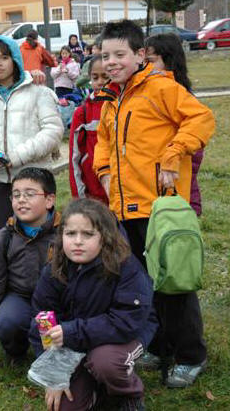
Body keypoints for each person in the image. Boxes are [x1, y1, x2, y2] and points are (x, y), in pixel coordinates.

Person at [93, 19, 215, 388]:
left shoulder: (161, 88)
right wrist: (103, 173)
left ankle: (192, 355)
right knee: (142, 286)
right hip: (124, 209)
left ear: (140, 54)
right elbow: (103, 144)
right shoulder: (112, 99)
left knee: (173, 285)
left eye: (119, 54)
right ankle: (160, 345)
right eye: (105, 55)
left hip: (158, 208)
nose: (111, 62)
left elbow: (201, 118)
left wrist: (173, 153)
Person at [29, 198, 156, 411]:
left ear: (105, 238)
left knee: (105, 362)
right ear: (61, 236)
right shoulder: (54, 269)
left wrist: (71, 331)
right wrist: (54, 375)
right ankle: (98, 393)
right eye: (70, 234)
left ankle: (128, 395)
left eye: (88, 234)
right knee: (64, 407)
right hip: (77, 340)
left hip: (124, 336)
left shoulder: (126, 267)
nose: (78, 241)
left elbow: (125, 323)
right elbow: (41, 322)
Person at [0, 35, 63, 233]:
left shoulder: (37, 91)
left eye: (4, 58)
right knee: (5, 239)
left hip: (34, 180)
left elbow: (53, 131)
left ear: (15, 60)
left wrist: (17, 156)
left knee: (40, 238)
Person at [0, 167, 59, 372]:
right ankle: (17, 351)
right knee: (6, 322)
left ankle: (57, 355)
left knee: (54, 341)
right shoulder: (6, 236)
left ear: (49, 200)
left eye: (30, 194)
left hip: (55, 301)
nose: (21, 200)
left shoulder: (66, 234)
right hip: (19, 297)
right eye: (16, 194)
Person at [144, 33, 204, 217]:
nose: (146, 67)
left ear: (170, 61)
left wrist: (172, 157)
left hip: (175, 188)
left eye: (151, 61)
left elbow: (194, 151)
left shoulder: (179, 98)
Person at [69, 55, 109, 204]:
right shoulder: (82, 113)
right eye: (95, 77)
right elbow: (74, 157)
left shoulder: (124, 107)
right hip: (94, 193)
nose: (100, 82)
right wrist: (79, 198)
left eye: (105, 77)